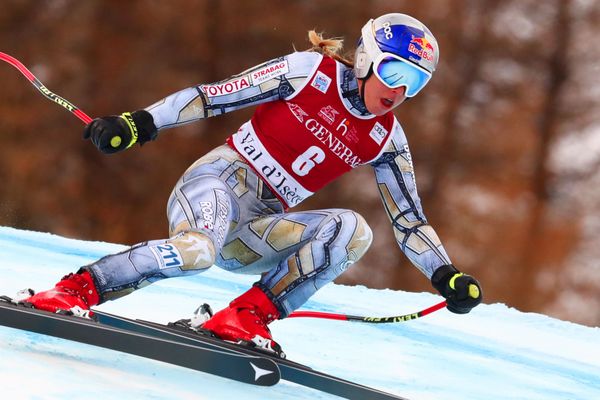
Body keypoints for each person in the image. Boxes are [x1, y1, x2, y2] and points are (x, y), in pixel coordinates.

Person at [23, 13, 482, 355]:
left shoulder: (387, 138)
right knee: (196, 252)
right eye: (394, 73)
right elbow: (213, 96)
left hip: (255, 231)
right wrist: (141, 122)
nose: (398, 92)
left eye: (415, 83)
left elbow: (408, 220)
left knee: (353, 230)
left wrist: (446, 275)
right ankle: (77, 288)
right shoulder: (308, 72)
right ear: (366, 59)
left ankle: (244, 317)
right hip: (215, 185)